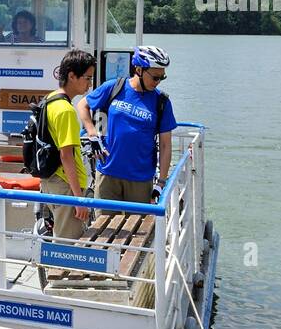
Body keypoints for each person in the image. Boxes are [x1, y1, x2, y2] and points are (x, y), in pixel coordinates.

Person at [77, 45, 177, 204]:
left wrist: (161, 182)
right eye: (155, 77)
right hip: (107, 174)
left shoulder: (162, 102)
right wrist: (91, 132)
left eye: (162, 78)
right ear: (138, 69)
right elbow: (83, 105)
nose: (158, 82)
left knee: (138, 227)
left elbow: (166, 146)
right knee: (103, 226)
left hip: (140, 180)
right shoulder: (114, 87)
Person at [39, 49, 97, 240]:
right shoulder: (66, 111)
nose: (90, 84)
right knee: (68, 243)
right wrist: (78, 198)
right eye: (87, 78)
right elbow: (66, 156)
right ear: (72, 76)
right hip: (65, 185)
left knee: (61, 236)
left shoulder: (50, 99)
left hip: (50, 180)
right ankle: (59, 271)